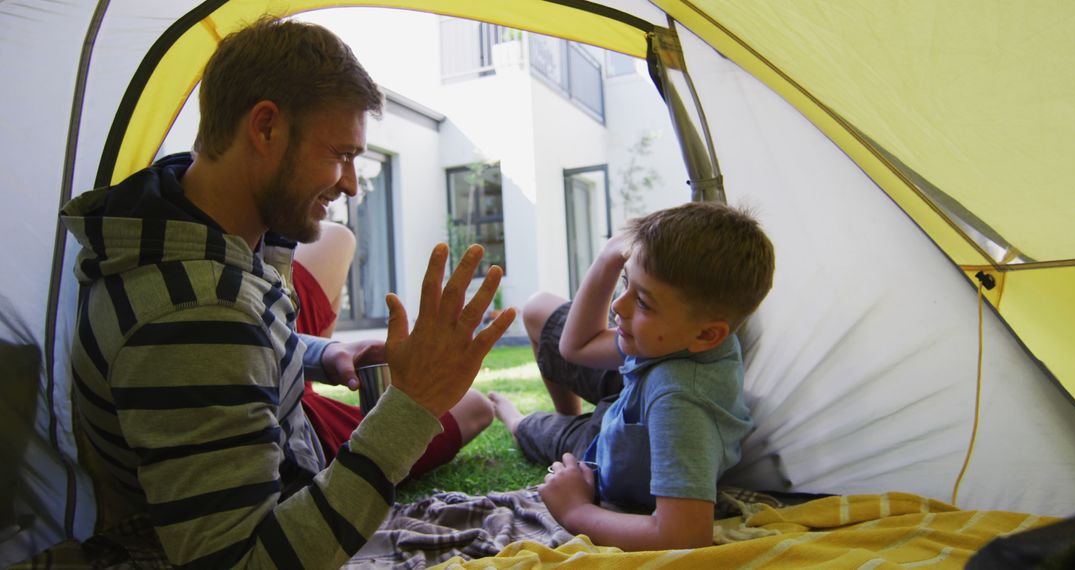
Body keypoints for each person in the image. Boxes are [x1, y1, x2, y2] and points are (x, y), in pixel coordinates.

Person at [60, 16, 514, 569]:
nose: (350, 182)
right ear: (266, 127)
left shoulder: (187, 226)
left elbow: (245, 345)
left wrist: (327, 354)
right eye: (341, 153)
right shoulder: (197, 312)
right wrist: (411, 407)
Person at [489, 201, 774, 551]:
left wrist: (576, 509)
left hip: (599, 454)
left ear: (706, 335)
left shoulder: (681, 404)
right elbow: (578, 347)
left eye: (642, 301)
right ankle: (564, 415)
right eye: (626, 283)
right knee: (537, 308)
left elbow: (684, 536)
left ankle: (511, 416)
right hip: (627, 404)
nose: (617, 306)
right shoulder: (673, 339)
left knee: (535, 431)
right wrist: (609, 259)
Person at [294, 221, 494, 477]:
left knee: (337, 238)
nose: (350, 188)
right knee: (477, 406)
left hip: (279, 346)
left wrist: (325, 352)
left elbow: (264, 335)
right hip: (297, 421)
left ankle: (303, 380)